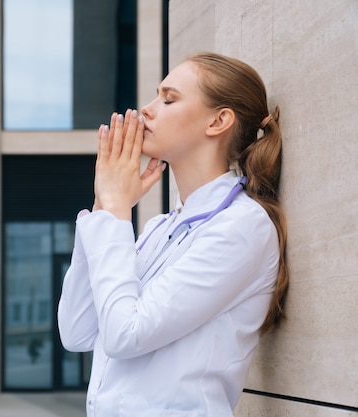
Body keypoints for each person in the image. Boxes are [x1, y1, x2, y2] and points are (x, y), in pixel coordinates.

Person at [57, 52, 289, 417]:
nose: (146, 110)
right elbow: (76, 331)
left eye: (168, 99)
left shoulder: (242, 227)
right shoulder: (160, 227)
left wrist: (116, 214)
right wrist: (104, 205)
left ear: (218, 121)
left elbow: (124, 334)